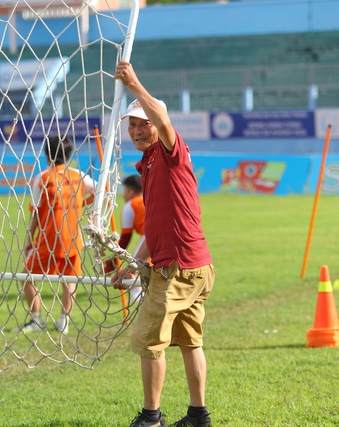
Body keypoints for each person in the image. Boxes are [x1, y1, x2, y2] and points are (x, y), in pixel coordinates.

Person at [112, 60, 216, 427]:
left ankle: (151, 417)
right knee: (191, 342)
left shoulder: (171, 152)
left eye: (145, 123)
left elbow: (164, 121)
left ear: (158, 125)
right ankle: (198, 415)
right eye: (133, 125)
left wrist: (135, 83)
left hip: (178, 270)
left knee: (148, 343)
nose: (139, 130)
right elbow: (155, 229)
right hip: (193, 266)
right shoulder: (149, 164)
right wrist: (132, 261)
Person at [22, 135, 96, 335]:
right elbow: (101, 190)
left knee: (27, 277)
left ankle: (36, 320)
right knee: (70, 280)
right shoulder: (80, 176)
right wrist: (83, 203)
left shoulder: (42, 178)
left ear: (47, 155)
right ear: (69, 154)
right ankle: (64, 320)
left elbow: (36, 212)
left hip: (48, 239)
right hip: (73, 238)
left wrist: (29, 239)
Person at [105, 174, 146, 302]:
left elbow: (125, 239)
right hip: (161, 237)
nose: (123, 194)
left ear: (130, 191)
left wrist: (111, 262)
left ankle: (139, 299)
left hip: (148, 239)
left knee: (134, 270)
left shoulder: (130, 206)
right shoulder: (150, 198)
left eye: (124, 190)